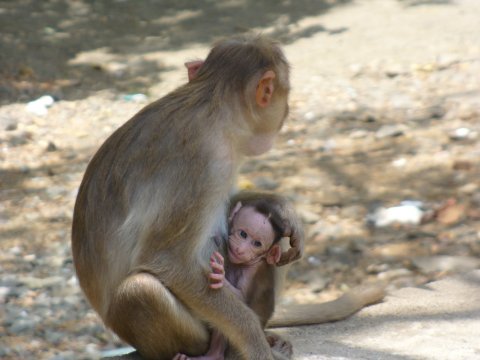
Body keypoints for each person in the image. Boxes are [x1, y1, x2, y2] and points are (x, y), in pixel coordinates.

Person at [174, 199, 285, 360]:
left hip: (242, 327)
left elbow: (239, 302)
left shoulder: (252, 270)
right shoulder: (235, 248)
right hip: (216, 325)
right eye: (242, 234)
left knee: (227, 309)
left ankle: (215, 354)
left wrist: (224, 283)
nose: (241, 249)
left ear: (271, 253)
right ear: (232, 215)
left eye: (256, 244)